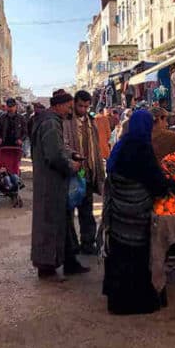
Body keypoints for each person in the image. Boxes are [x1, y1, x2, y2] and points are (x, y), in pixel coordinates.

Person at [101, 110, 175, 315]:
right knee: (138, 257)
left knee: (119, 255)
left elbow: (111, 172)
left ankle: (117, 302)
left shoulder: (121, 144)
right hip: (137, 214)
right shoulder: (143, 149)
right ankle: (137, 303)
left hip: (118, 214)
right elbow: (157, 183)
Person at [30, 89, 86, 281]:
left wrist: (71, 154)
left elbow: (59, 147)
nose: (70, 111)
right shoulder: (51, 123)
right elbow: (54, 155)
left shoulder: (49, 121)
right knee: (50, 224)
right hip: (51, 183)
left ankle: (66, 262)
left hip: (50, 182)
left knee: (61, 223)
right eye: (69, 107)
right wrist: (72, 165)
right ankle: (47, 268)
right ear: (59, 105)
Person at [63, 90, 105, 256]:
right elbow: (63, 145)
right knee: (69, 211)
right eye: (81, 105)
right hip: (72, 172)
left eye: (87, 106)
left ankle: (88, 243)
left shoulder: (91, 122)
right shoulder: (66, 121)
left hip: (87, 173)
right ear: (74, 103)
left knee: (86, 211)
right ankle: (71, 246)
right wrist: (74, 157)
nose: (83, 109)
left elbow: (96, 147)